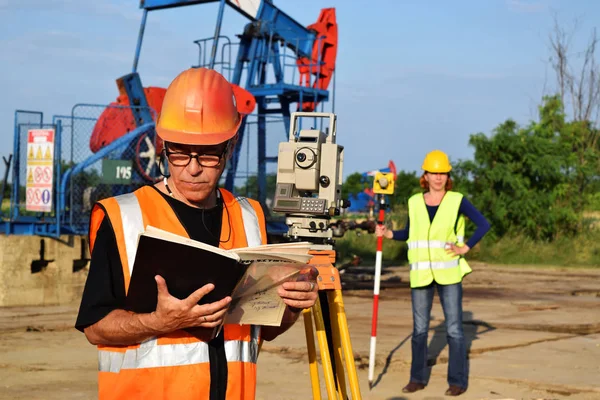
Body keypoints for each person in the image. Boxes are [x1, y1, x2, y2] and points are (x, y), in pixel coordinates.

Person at [75, 67, 319, 400]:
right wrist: (158, 322)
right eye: (179, 151)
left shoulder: (250, 217)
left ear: (229, 149)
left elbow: (259, 331)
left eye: (207, 153)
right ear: (163, 146)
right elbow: (94, 326)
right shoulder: (124, 218)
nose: (191, 167)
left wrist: (291, 307)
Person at [376, 150, 490, 397]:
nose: (438, 177)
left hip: (449, 274)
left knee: (454, 330)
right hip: (420, 274)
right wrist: (389, 234)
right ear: (424, 175)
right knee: (419, 330)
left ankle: (457, 382)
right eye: (433, 173)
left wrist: (465, 248)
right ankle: (417, 379)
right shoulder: (414, 201)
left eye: (442, 173)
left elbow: (483, 224)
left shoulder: (457, 199)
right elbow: (410, 233)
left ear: (447, 176)